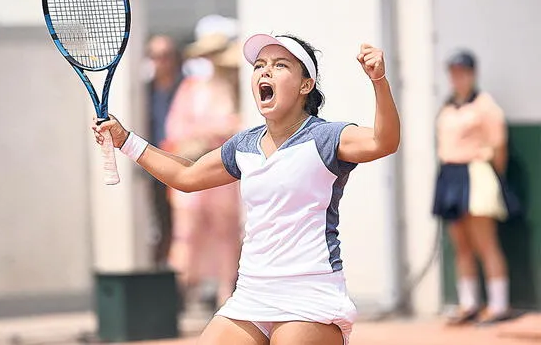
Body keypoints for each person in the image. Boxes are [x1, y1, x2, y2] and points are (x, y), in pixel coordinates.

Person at [93, 34, 400, 345]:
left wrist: (379, 81)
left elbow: (383, 142)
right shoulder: (244, 145)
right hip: (252, 294)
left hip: (310, 292)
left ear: (306, 85)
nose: (265, 71)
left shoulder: (327, 137)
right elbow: (186, 176)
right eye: (260, 65)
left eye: (280, 65)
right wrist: (124, 140)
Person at [163, 33, 242, 312]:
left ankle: (225, 297)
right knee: (186, 236)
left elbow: (243, 127)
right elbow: (176, 130)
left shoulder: (238, 88)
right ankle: (177, 297)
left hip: (226, 176)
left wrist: (220, 130)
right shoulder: (191, 89)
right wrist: (208, 132)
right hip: (195, 172)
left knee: (227, 236)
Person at [433, 50, 512, 325]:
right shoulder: (447, 106)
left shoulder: (485, 105)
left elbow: (498, 147)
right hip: (450, 176)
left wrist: (491, 176)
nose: (457, 77)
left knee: (485, 243)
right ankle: (469, 304)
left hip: (477, 174)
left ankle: (499, 305)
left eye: (463, 71)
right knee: (461, 245)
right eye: (453, 72)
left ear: (472, 73)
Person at [145, 35, 183, 267]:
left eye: (166, 56)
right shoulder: (144, 92)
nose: (161, 62)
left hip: (182, 164)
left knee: (182, 225)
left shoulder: (186, 86)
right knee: (161, 223)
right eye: (156, 57)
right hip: (153, 166)